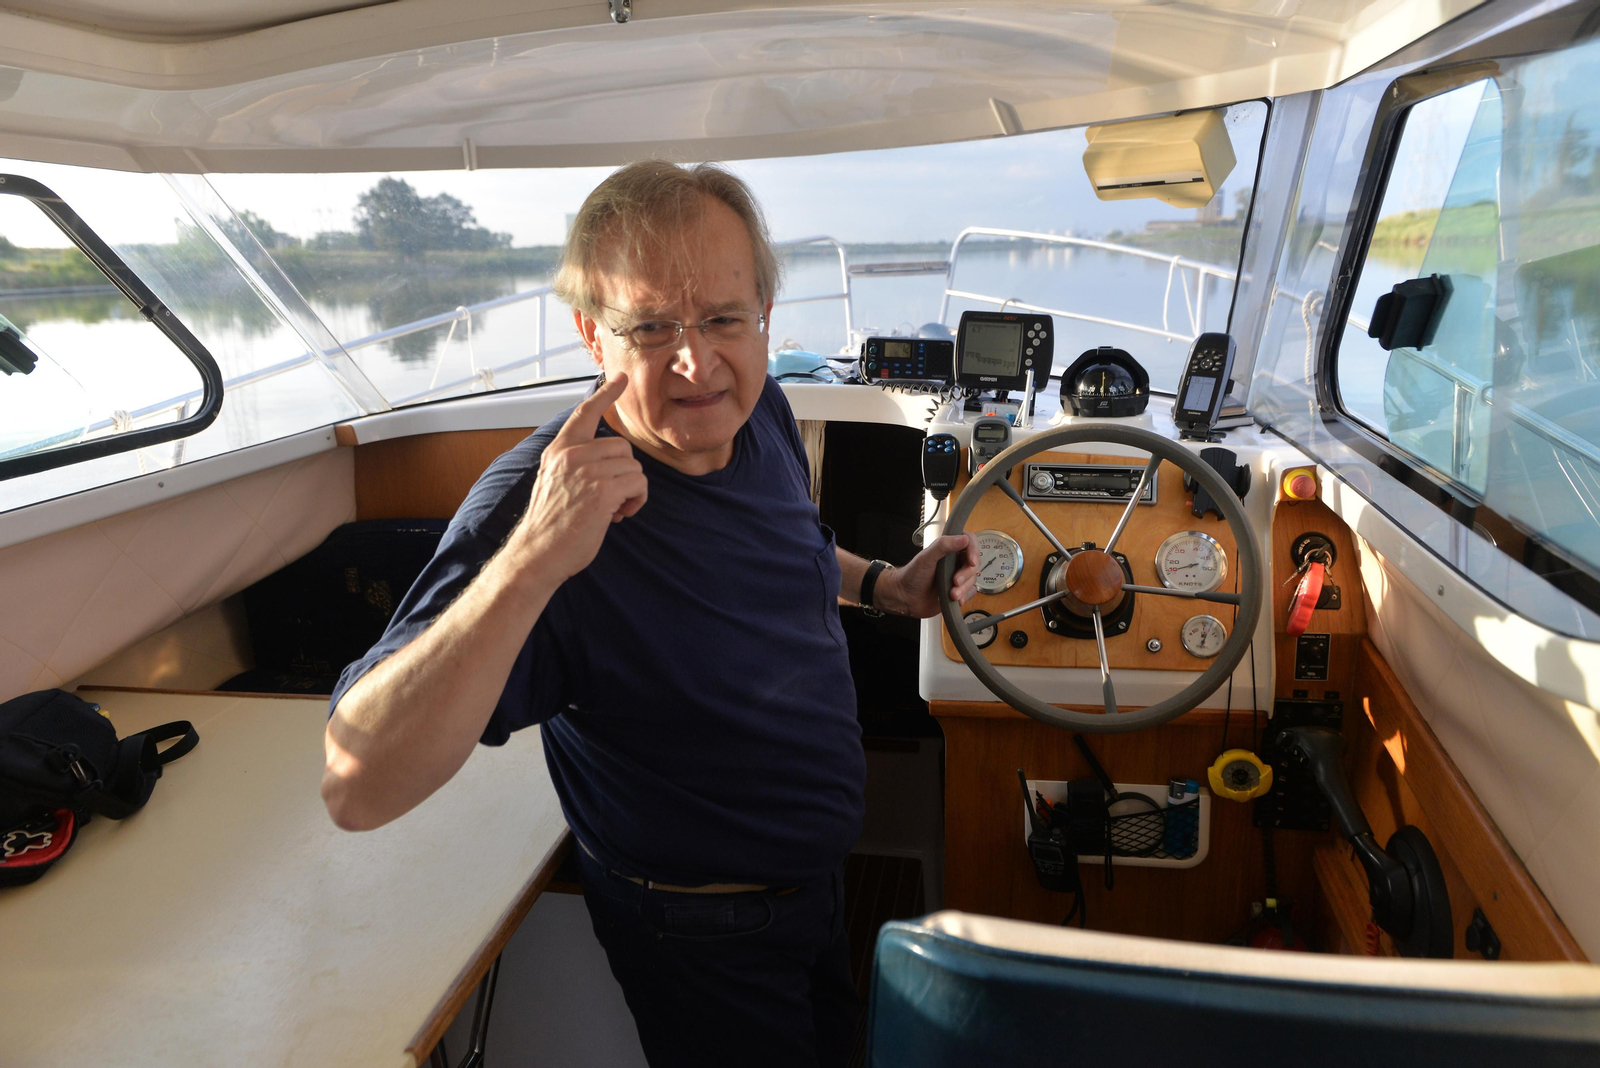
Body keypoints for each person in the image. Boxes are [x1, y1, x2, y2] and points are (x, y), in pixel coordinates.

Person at [320, 160, 980, 1067]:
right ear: (595, 335)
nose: (696, 363)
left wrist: (886, 587)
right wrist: (534, 560)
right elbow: (356, 785)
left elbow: (790, 550)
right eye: (651, 326)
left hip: (817, 881)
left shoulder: (760, 412)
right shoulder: (538, 504)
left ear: (764, 320)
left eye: (721, 319)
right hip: (702, 930)